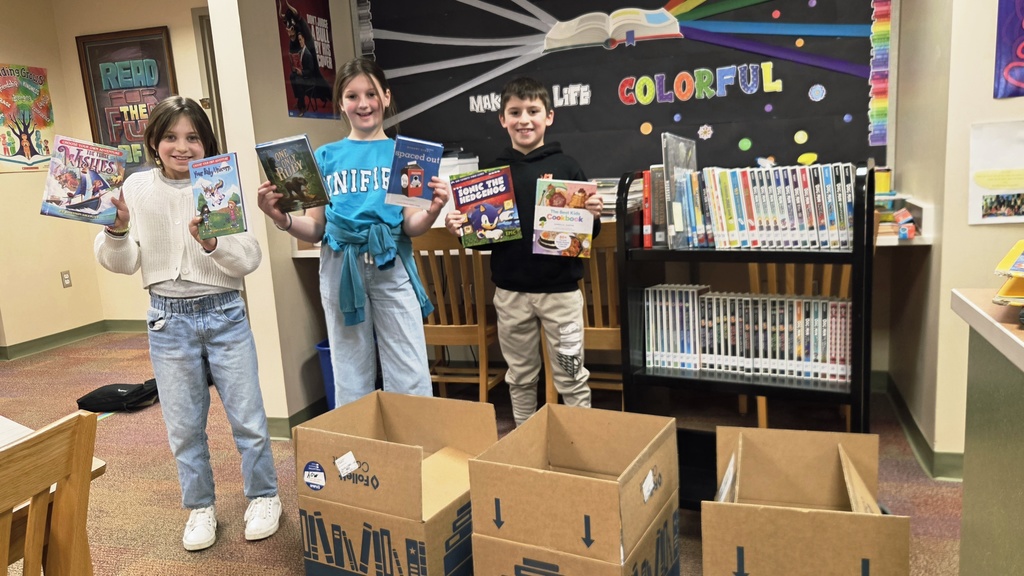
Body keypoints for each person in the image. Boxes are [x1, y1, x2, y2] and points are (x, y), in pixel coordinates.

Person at [94, 96, 281, 552]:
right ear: (154, 142)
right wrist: (116, 230)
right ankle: (200, 506)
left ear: (206, 143)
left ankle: (264, 496)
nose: (182, 147)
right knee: (183, 427)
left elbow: (249, 259)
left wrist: (214, 241)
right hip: (167, 320)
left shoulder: (217, 183)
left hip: (224, 313)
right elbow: (122, 262)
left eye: (193, 137)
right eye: (171, 137)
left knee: (249, 419)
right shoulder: (135, 189)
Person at [257, 57, 449, 408]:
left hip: (392, 263)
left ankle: (415, 450)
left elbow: (410, 225)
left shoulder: (406, 154)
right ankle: (357, 457)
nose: (363, 104)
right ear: (341, 103)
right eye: (352, 96)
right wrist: (281, 218)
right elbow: (315, 229)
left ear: (386, 97)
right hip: (339, 266)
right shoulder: (324, 157)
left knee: (410, 368)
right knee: (348, 367)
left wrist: (432, 210)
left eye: (371, 94)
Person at [444, 77, 604, 426]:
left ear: (549, 116)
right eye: (515, 112)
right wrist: (460, 230)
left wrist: (592, 217)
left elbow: (585, 236)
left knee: (572, 377)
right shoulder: (491, 175)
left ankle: (585, 442)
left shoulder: (568, 169)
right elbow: (484, 236)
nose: (524, 119)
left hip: (561, 295)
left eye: (533, 111)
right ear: (502, 119)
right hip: (511, 294)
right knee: (519, 378)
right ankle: (524, 443)